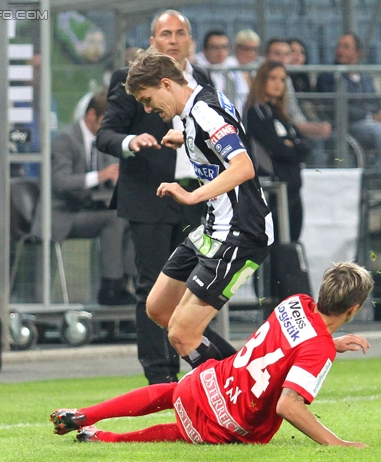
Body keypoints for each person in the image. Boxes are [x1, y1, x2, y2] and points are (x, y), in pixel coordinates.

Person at [50, 261, 374, 446]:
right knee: (185, 431)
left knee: (175, 391)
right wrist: (337, 443)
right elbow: (288, 405)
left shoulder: (296, 302)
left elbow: (289, 346)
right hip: (233, 419)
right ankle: (106, 438)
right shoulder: (317, 348)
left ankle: (86, 415)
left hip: (211, 381)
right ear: (354, 308)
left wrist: (332, 342)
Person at [96, 10, 230, 384]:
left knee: (198, 286)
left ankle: (199, 368)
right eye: (165, 33)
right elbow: (105, 134)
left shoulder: (203, 80)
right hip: (149, 197)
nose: (173, 39)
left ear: (190, 40)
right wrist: (130, 141)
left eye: (180, 33)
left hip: (197, 198)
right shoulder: (127, 79)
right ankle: (160, 376)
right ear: (153, 41)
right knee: (153, 287)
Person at [124, 48, 274, 371]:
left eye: (148, 100)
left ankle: (237, 396)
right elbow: (220, 134)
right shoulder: (199, 106)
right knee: (159, 308)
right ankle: (241, 373)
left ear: (166, 84)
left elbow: (244, 166)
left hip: (240, 231)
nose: (149, 110)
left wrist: (192, 196)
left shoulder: (204, 113)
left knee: (181, 333)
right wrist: (188, 136)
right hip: (213, 228)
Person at [35, 92, 136, 305]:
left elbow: (108, 176)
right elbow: (60, 182)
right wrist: (100, 176)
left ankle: (130, 282)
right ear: (92, 115)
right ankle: (111, 286)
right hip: (62, 214)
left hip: (88, 208)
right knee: (114, 220)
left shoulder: (102, 139)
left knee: (130, 216)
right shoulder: (65, 139)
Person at [316, 33, 381, 188]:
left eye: (346, 47)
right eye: (339, 46)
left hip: (371, 122)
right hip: (349, 124)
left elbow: (376, 101)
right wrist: (371, 116)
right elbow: (338, 106)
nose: (340, 50)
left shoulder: (365, 77)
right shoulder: (328, 76)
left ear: (358, 53)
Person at [246, 61, 312, 242]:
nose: (278, 84)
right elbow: (276, 147)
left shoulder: (281, 114)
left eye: (282, 79)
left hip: (293, 187)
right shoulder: (256, 112)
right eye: (272, 78)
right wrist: (290, 146)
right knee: (277, 245)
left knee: (292, 241)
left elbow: (305, 146)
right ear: (262, 80)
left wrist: (291, 146)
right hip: (274, 189)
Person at [264, 38, 331, 140]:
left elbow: (293, 110)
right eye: (277, 54)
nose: (283, 58)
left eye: (286, 54)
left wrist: (307, 125)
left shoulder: (287, 79)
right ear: (267, 56)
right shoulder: (260, 79)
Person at [224, 29, 262, 117]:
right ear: (236, 48)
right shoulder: (227, 67)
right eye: (247, 49)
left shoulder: (256, 68)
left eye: (254, 49)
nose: (251, 53)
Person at [193, 30, 233, 95]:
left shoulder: (232, 67)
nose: (220, 51)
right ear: (205, 49)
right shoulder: (195, 67)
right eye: (215, 47)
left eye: (224, 47)